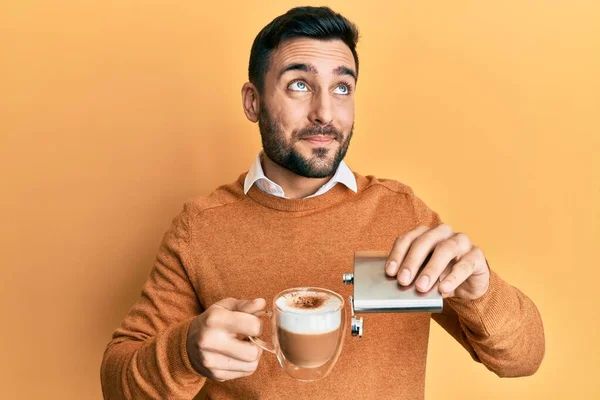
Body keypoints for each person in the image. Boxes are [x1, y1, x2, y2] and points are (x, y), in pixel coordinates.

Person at [101, 6, 545, 399]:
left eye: (342, 88)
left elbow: (522, 360)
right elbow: (117, 382)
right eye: (299, 84)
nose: (325, 113)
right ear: (252, 101)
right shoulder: (200, 227)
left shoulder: (400, 212)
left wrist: (480, 290)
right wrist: (185, 353)